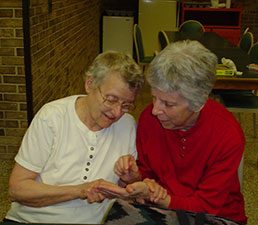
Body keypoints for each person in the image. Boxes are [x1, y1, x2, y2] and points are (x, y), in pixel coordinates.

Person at [3, 51, 157, 224]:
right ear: (89, 84)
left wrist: (130, 179)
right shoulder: (52, 117)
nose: (117, 112)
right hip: (32, 220)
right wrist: (80, 191)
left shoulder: (127, 125)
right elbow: (17, 189)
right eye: (111, 99)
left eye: (126, 105)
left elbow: (124, 192)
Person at [109, 40, 247, 223]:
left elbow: (206, 206)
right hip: (162, 209)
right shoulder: (150, 120)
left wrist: (159, 197)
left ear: (197, 103)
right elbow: (148, 171)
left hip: (215, 216)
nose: (155, 110)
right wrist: (135, 177)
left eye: (168, 104)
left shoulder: (227, 135)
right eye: (154, 97)